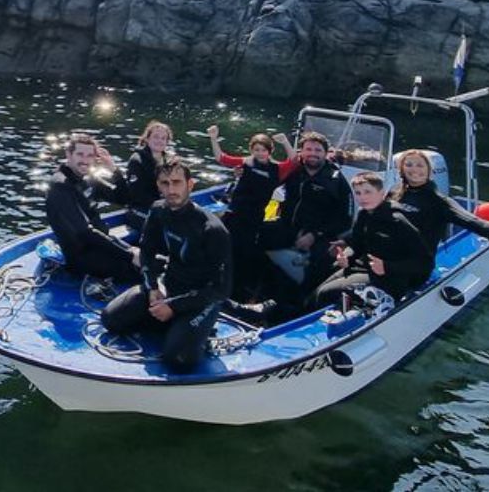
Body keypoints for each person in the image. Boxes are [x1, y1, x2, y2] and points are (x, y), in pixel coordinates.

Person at [100, 159, 232, 373]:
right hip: (167, 286)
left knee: (179, 359)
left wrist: (174, 307)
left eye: (177, 182)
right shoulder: (158, 210)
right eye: (165, 183)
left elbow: (221, 290)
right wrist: (152, 287)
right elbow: (147, 251)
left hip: (200, 298)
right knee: (110, 320)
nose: (171, 189)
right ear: (158, 186)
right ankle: (173, 325)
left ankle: (191, 328)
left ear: (190, 185)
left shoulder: (212, 229)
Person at [309, 172, 433, 309]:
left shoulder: (398, 221)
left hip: (389, 279)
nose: (363, 197)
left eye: (368, 192)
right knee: (314, 292)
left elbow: (425, 263)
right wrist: (346, 257)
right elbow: (356, 244)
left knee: (324, 294)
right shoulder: (364, 214)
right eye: (358, 193)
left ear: (382, 193)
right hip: (363, 268)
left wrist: (387, 267)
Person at [206, 125, 295, 300]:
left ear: (270, 151)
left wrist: (285, 142)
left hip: (253, 218)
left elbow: (293, 161)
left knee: (243, 251)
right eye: (256, 150)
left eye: (263, 150)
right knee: (222, 244)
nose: (260, 153)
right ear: (251, 150)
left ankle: (238, 288)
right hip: (234, 213)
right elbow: (221, 157)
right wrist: (213, 138)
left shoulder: (277, 169)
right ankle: (215, 280)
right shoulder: (244, 163)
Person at [264, 131, 353, 301]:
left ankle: (301, 302)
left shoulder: (335, 181)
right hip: (289, 226)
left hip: (320, 234)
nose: (313, 153)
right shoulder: (293, 172)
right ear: (301, 152)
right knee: (258, 235)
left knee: (319, 261)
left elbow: (345, 219)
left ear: (326, 154)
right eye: (309, 149)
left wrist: (314, 235)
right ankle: (255, 290)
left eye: (318, 150)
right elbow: (267, 180)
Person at [44, 133, 142, 285]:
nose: (85, 160)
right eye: (80, 154)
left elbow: (124, 199)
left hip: (102, 243)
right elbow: (84, 232)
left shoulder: (88, 179)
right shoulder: (61, 186)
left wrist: (114, 170)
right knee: (141, 272)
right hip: (82, 256)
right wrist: (129, 255)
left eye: (90, 155)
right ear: (69, 155)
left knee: (151, 261)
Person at [96, 120, 173, 230]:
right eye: (156, 137)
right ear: (147, 139)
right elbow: (136, 196)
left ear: (167, 141)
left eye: (163, 138)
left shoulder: (169, 160)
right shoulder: (137, 161)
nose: (159, 141)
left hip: (164, 206)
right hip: (139, 210)